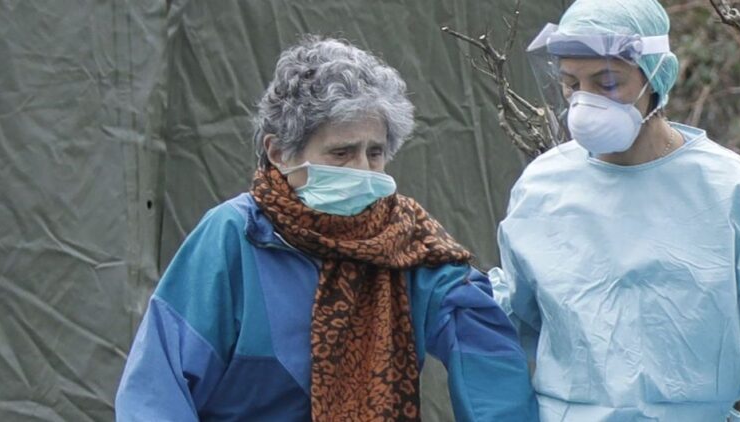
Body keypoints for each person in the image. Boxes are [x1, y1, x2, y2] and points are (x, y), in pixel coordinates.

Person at [115, 36, 537, 421]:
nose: (363, 169)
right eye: (341, 153)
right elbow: (157, 387)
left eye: (375, 152)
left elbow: (484, 348)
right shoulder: (236, 235)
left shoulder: (407, 241)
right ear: (278, 152)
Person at [489, 0, 740, 420]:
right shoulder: (542, 189)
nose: (585, 102)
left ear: (657, 75)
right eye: (571, 84)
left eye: (607, 82)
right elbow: (505, 324)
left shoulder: (732, 191)